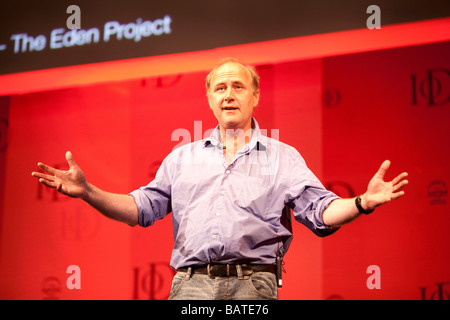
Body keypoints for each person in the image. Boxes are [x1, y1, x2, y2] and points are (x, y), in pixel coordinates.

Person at [31, 57, 409, 300]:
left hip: (254, 287)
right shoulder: (182, 157)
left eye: (239, 86)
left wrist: (361, 203)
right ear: (210, 98)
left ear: (256, 96)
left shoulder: (283, 157)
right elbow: (139, 209)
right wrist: (87, 192)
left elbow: (321, 211)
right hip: (190, 287)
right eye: (220, 87)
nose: (229, 94)